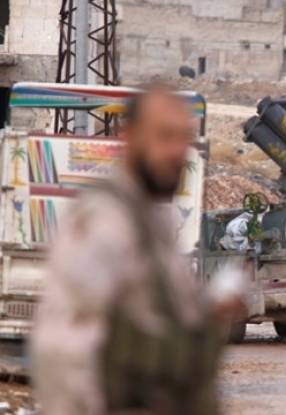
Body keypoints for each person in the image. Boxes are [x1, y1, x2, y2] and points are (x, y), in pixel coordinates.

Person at [30, 88, 244, 415]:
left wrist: (211, 314)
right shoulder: (106, 221)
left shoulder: (151, 221)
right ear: (129, 137)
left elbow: (161, 329)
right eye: (164, 136)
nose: (178, 151)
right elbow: (66, 348)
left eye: (184, 138)